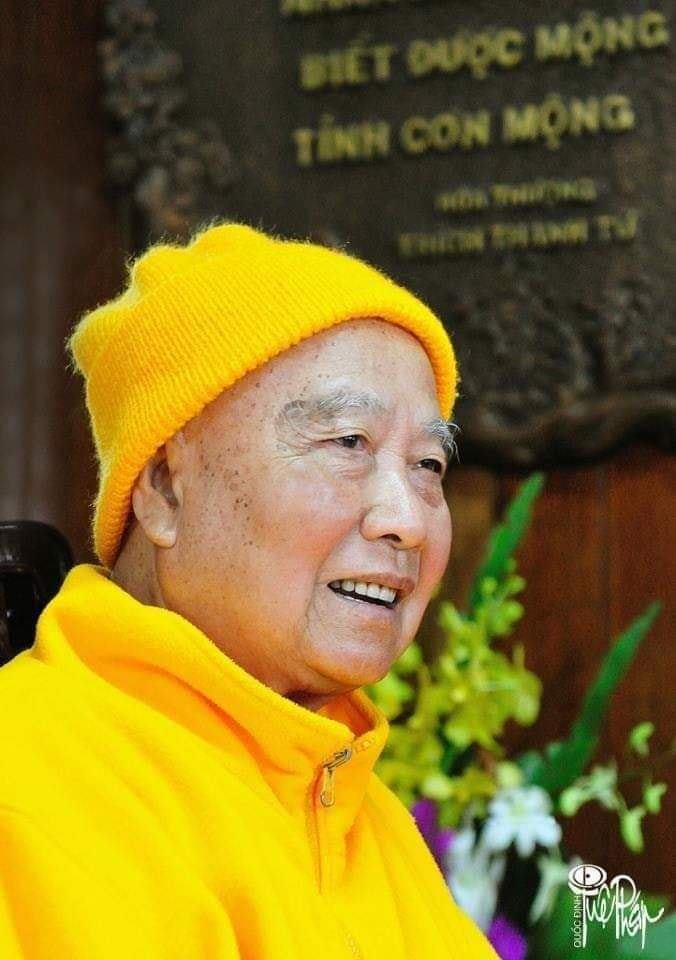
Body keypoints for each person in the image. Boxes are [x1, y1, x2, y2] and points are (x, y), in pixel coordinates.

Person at [0, 221, 498, 958]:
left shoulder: (360, 811)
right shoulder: (36, 786)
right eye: (347, 443)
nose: (408, 521)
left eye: (428, 465)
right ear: (165, 489)